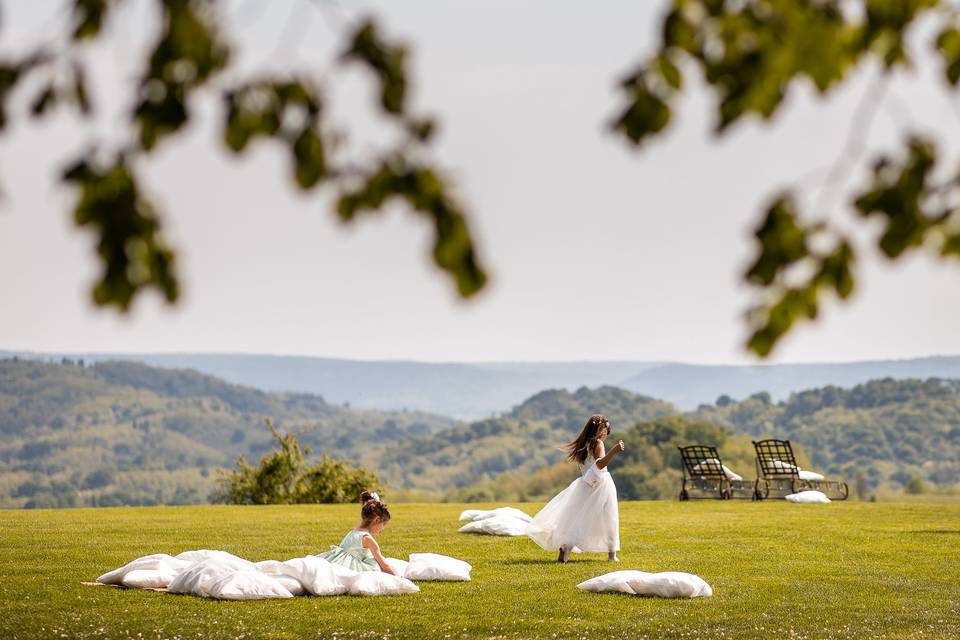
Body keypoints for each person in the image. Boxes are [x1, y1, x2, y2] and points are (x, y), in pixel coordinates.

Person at [526, 414, 625, 563]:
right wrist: (614, 450)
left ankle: (567, 547)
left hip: (585, 484)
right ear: (599, 430)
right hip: (601, 484)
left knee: (579, 518)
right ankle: (612, 555)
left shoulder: (583, 444)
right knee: (609, 517)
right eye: (605, 431)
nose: (606, 435)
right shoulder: (597, 443)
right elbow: (600, 464)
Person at [318, 490, 397, 574]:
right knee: (376, 565)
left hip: (335, 561)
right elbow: (385, 566)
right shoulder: (367, 539)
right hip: (348, 567)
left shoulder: (353, 532)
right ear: (377, 520)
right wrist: (399, 577)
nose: (383, 529)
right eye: (383, 524)